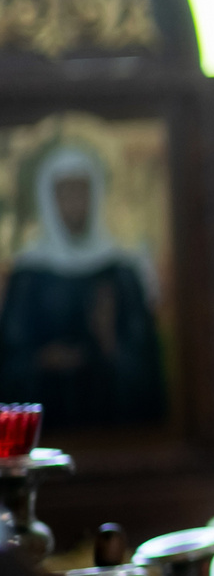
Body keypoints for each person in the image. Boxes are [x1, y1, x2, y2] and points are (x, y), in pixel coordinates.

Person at [0, 139, 169, 428]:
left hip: (113, 418)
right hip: (50, 416)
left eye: (82, 190)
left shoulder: (120, 271)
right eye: (65, 191)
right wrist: (43, 360)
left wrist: (109, 341)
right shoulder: (28, 274)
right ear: (47, 197)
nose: (75, 203)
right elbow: (10, 360)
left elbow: (146, 364)